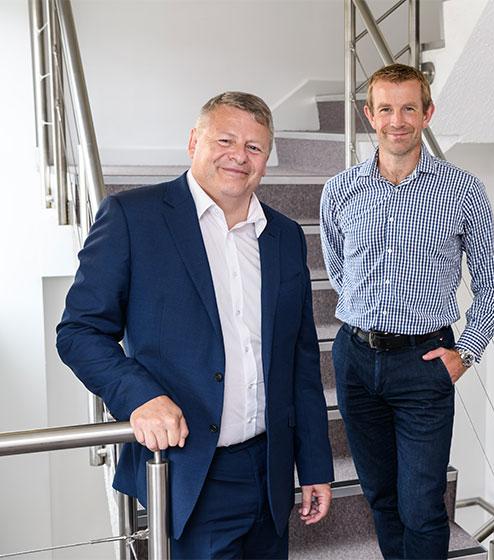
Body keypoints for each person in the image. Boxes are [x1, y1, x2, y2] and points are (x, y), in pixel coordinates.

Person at [57, 92, 334, 559]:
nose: (238, 156)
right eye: (225, 139)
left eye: (254, 147)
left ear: (266, 159)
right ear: (193, 142)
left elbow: (300, 361)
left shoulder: (285, 236)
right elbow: (79, 331)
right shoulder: (133, 217)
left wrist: (314, 465)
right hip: (191, 471)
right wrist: (139, 396)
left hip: (269, 469)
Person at [320, 63, 494, 559]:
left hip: (424, 363)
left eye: (409, 107)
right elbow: (339, 268)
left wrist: (464, 353)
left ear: (428, 113)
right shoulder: (339, 190)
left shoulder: (463, 190)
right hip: (356, 360)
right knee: (380, 497)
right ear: (369, 114)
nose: (397, 120)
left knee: (423, 505)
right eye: (385, 108)